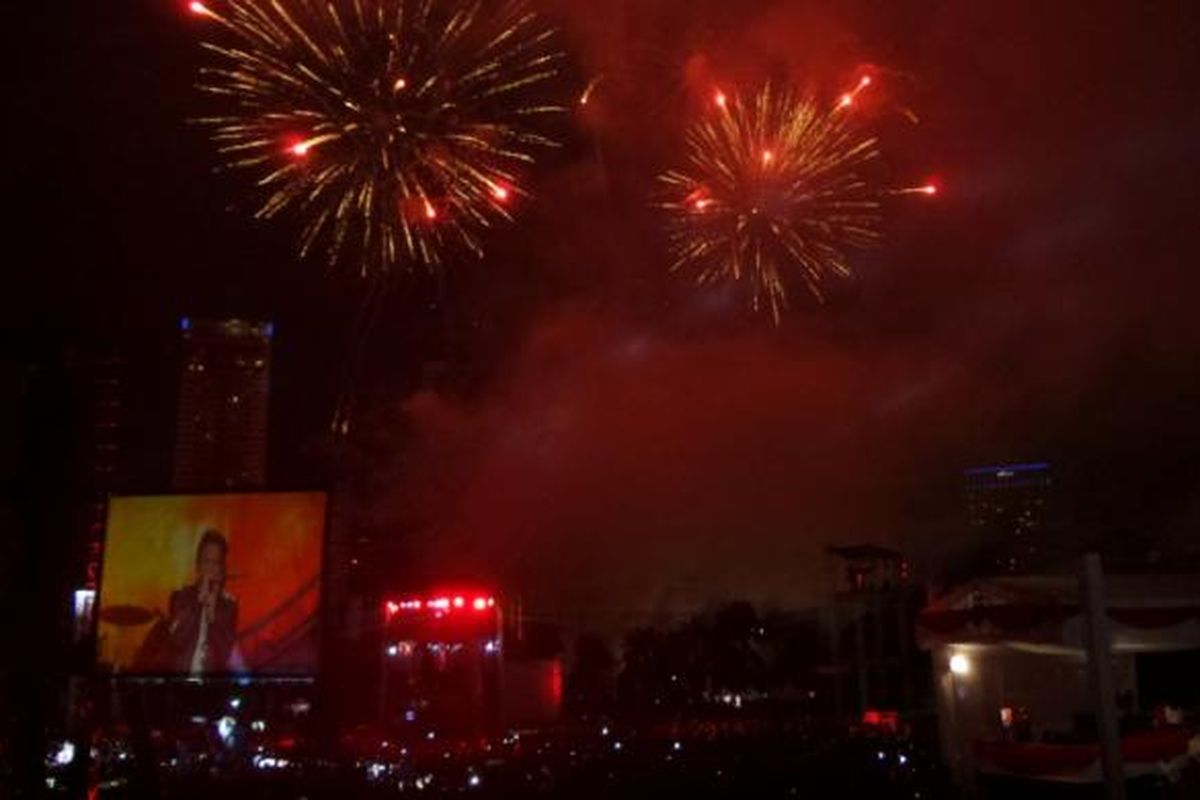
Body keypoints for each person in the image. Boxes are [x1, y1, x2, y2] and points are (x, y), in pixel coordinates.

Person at [164, 529, 238, 674]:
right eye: (206, 561)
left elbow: (224, 655)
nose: (210, 568)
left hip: (211, 688)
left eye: (216, 562)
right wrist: (197, 603)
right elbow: (177, 640)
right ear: (198, 565)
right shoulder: (180, 597)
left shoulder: (229, 605)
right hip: (180, 685)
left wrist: (212, 613)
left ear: (222, 568)